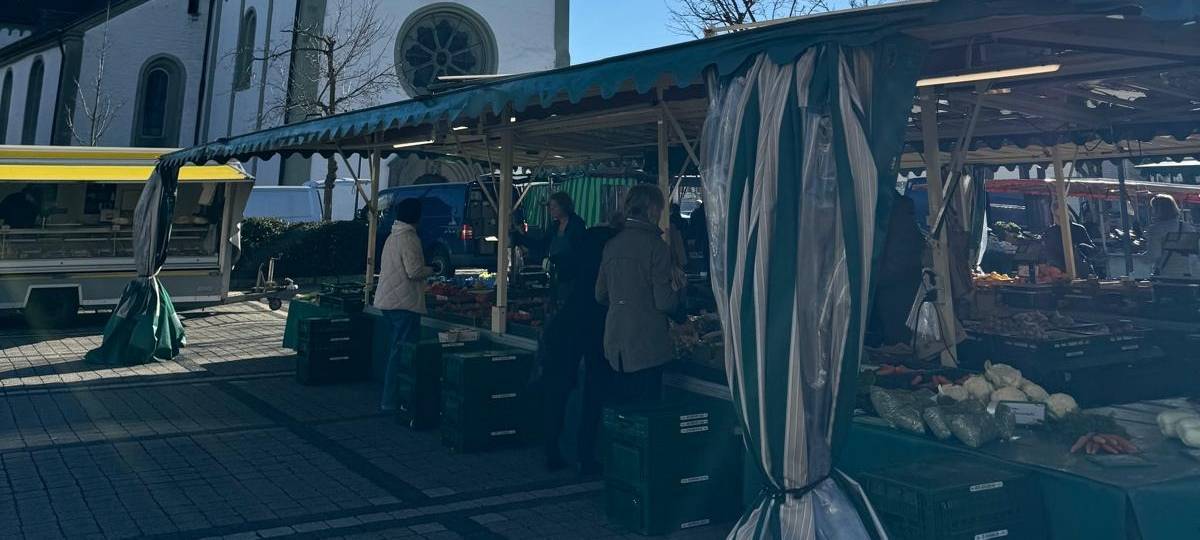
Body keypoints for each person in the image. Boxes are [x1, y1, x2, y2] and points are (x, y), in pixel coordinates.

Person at [595, 185, 679, 405]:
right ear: (652, 209)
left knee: (623, 414)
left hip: (615, 341)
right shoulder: (657, 247)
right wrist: (679, 293)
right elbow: (664, 302)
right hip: (647, 344)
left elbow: (600, 294)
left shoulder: (611, 245)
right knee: (646, 414)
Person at [375, 198, 434, 412]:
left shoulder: (393, 236)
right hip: (404, 303)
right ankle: (392, 400)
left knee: (396, 349)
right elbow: (414, 271)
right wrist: (432, 269)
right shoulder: (409, 238)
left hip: (388, 301)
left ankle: (393, 397)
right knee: (402, 353)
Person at [867, 193, 925, 346]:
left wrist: (870, 281)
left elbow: (901, 261)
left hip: (895, 299)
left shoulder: (895, 210)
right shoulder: (894, 208)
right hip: (890, 294)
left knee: (896, 343)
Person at [1145, 194, 1197, 277]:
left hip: (1166, 274)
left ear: (1158, 210)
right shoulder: (1188, 228)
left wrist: (1139, 259)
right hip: (1189, 273)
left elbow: (1154, 255)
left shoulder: (1156, 229)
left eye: (1153, 208)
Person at [1041, 203, 1096, 277]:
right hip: (1058, 272)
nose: (1061, 219)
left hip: (1080, 269)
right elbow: (1046, 253)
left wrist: (1082, 248)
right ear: (1053, 215)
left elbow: (1091, 250)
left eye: (1062, 215)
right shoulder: (1049, 232)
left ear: (1067, 212)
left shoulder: (1079, 229)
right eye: (1058, 216)